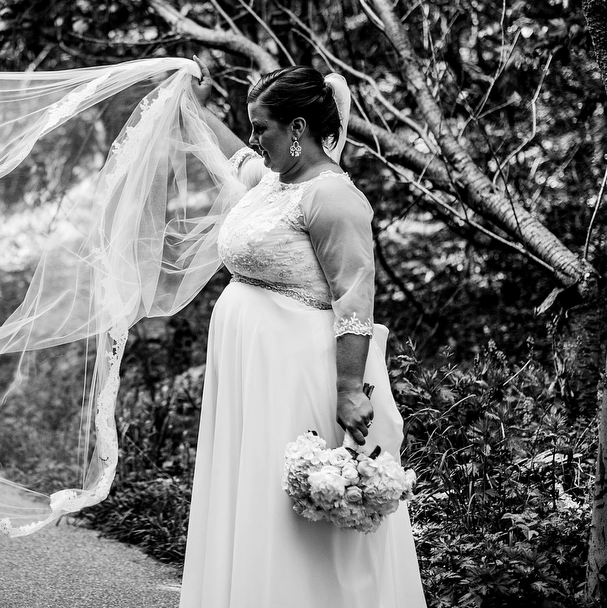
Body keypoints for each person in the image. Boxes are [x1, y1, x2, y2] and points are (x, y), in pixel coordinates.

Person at [181, 65, 425, 607]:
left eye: (260, 127)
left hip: (299, 375)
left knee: (293, 510)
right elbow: (236, 157)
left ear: (296, 128)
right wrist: (198, 109)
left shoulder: (332, 197)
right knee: (252, 498)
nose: (252, 138)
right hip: (253, 374)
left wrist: (346, 388)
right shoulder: (274, 180)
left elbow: (355, 303)